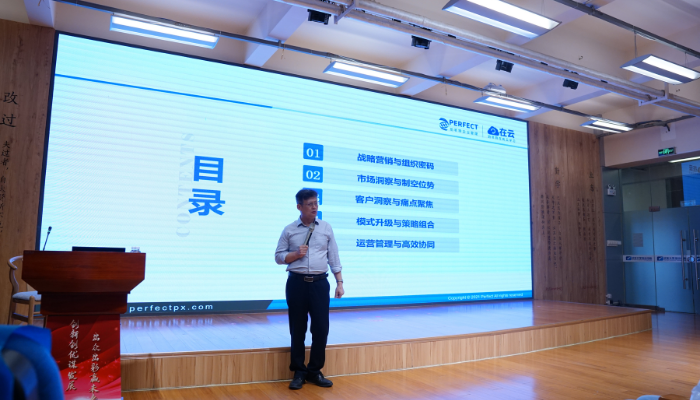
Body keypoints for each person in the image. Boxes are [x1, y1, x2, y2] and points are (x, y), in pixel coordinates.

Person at [275, 189, 344, 390]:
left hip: (320, 283)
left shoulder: (325, 228)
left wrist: (339, 282)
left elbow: (334, 257)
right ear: (299, 207)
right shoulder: (289, 230)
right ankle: (298, 371)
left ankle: (315, 371)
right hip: (296, 283)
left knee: (321, 328)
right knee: (297, 329)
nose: (314, 207)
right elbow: (278, 257)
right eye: (310, 204)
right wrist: (295, 255)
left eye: (316, 203)